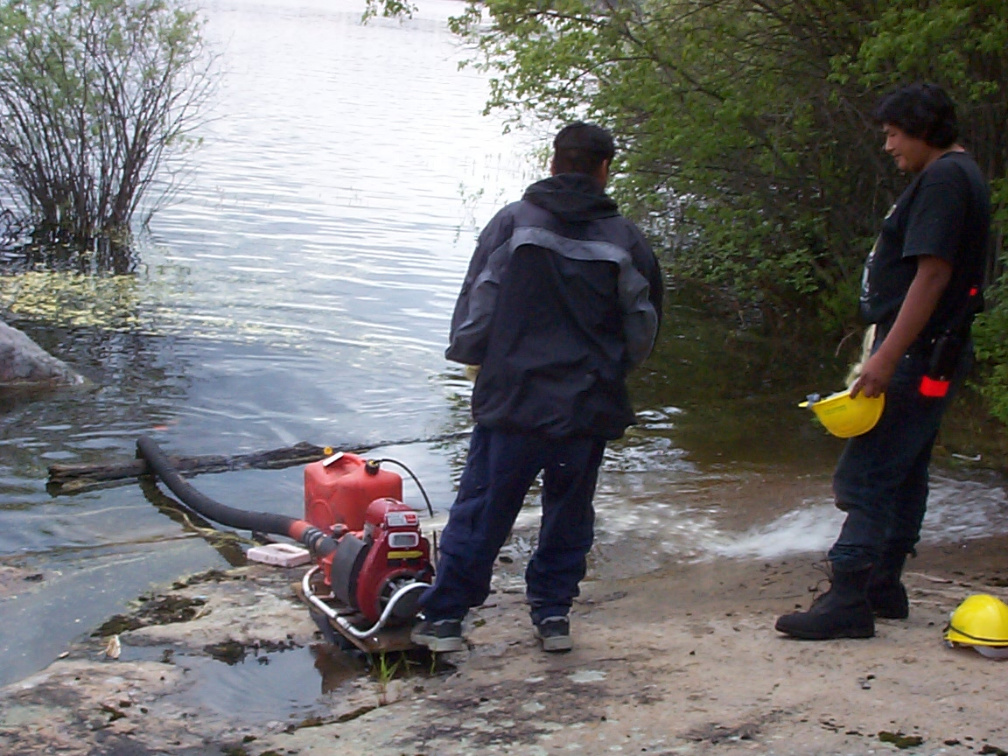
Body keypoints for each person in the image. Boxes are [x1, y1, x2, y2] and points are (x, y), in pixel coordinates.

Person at [411, 122, 664, 653]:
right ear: (603, 170)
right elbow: (643, 325)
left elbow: (479, 303)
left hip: (513, 400)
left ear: (553, 164)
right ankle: (552, 615)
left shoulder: (514, 223)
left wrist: (472, 356)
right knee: (570, 509)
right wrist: (614, 370)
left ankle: (446, 618)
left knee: (483, 505)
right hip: (586, 405)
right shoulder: (626, 239)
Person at [776, 83, 992, 640]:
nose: (889, 146)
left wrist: (886, 357)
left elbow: (933, 272)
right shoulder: (962, 175)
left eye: (895, 134)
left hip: (919, 353)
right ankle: (884, 587)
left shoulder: (945, 178)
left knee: (868, 471)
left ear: (923, 130)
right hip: (939, 354)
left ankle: (848, 595)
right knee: (906, 465)